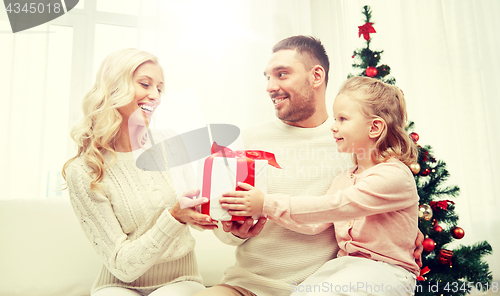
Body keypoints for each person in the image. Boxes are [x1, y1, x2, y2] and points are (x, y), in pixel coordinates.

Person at [194, 36, 422, 296]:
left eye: (282, 74)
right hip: (247, 285)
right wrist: (235, 231)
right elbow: (226, 224)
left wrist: (404, 236)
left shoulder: (350, 144)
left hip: (319, 284)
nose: (270, 86)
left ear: (316, 76)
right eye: (267, 77)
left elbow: (356, 203)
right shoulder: (249, 142)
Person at [62, 48, 217, 296]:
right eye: (145, 84)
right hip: (117, 284)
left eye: (159, 88)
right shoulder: (84, 170)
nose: (154, 95)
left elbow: (195, 210)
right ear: (114, 87)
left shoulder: (170, 144)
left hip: (180, 281)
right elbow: (122, 266)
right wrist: (173, 216)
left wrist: (227, 217)